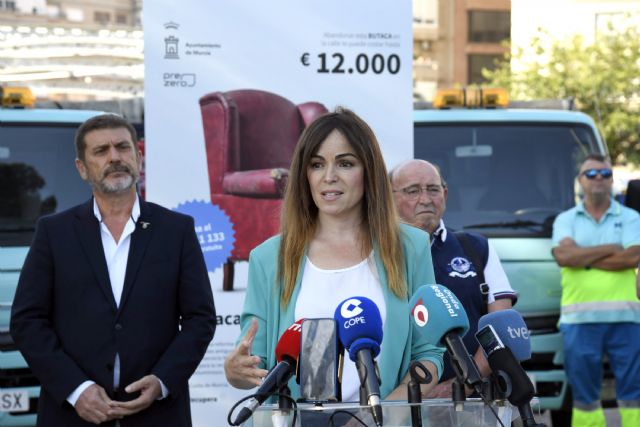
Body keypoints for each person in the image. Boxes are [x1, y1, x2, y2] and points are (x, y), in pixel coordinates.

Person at [224, 108, 444, 404]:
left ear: (369, 171)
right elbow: (254, 363)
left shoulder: (411, 247)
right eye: (317, 165)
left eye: (345, 163)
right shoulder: (268, 258)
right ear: (305, 175)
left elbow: (428, 353)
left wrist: (385, 415)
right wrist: (235, 371)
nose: (329, 177)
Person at [10, 114, 216, 427]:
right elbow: (27, 321)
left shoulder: (177, 230)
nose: (114, 157)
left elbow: (200, 318)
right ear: (82, 168)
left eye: (122, 147)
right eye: (101, 151)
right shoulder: (54, 232)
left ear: (139, 158)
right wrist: (76, 390)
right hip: (73, 416)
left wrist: (163, 380)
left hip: (158, 416)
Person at [390, 159, 517, 397]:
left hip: (471, 401)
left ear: (445, 194)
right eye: (413, 191)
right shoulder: (376, 253)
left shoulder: (476, 248)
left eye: (433, 189)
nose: (425, 199)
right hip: (398, 401)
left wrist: (462, 384)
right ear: (389, 198)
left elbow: (501, 324)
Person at [552, 153, 640, 427]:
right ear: (580, 180)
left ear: (612, 180)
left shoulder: (631, 217)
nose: (598, 178)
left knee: (634, 393)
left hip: (627, 319)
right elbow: (563, 256)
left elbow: (633, 256)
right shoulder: (565, 219)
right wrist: (612, 248)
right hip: (579, 321)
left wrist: (583, 257)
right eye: (591, 174)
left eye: (605, 173)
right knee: (584, 397)